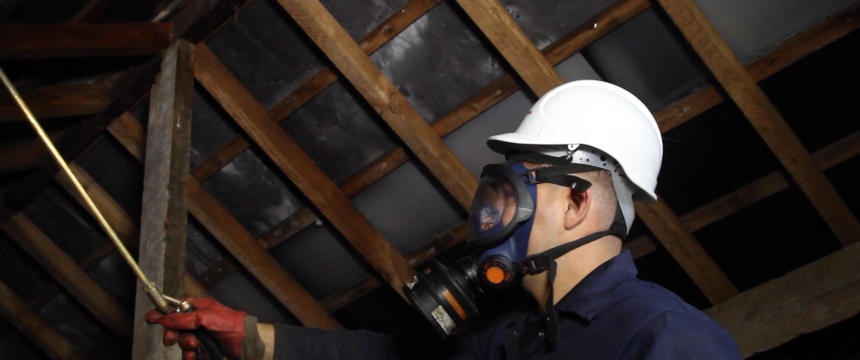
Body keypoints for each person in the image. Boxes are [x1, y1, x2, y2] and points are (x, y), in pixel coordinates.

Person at [146, 80, 741, 360]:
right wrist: (250, 339)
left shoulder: (669, 340)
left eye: (511, 192)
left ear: (577, 202)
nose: (490, 216)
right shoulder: (514, 334)